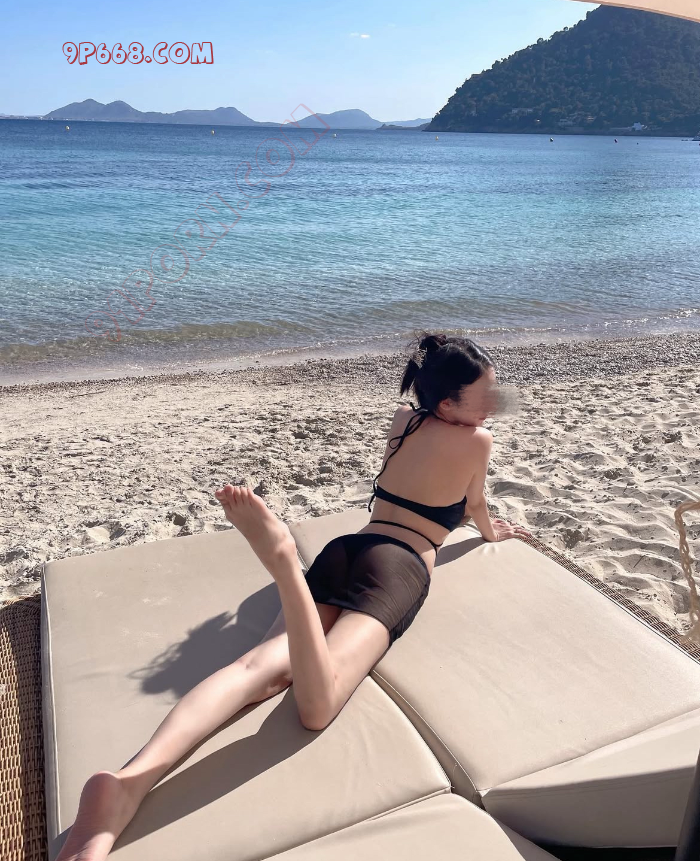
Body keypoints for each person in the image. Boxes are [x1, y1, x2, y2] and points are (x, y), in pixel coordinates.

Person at [55, 330, 530, 861]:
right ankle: (284, 563)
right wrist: (491, 534)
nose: (493, 406)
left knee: (255, 667)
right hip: (398, 566)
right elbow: (476, 504)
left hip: (346, 549)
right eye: (484, 397)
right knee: (317, 704)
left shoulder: (405, 420)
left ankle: (130, 780)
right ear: (447, 403)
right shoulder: (478, 441)